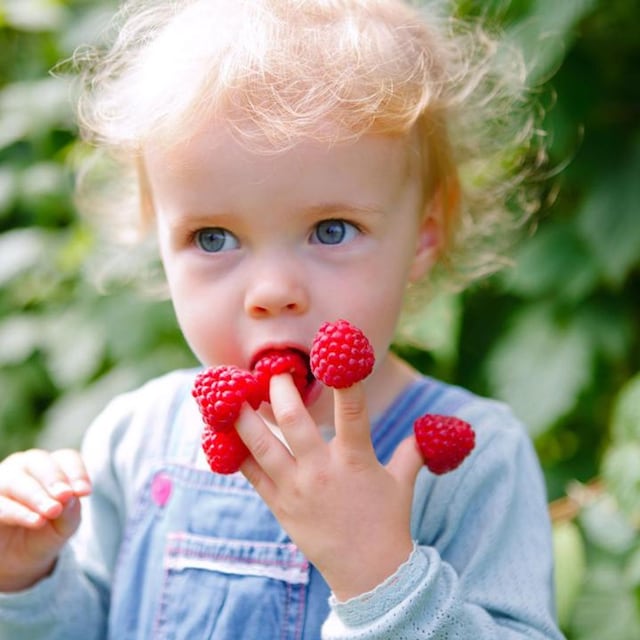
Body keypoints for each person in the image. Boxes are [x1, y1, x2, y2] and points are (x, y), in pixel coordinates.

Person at [0, 0, 565, 638]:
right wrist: (24, 582)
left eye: (331, 229)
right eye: (213, 238)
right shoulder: (134, 443)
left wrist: (380, 575)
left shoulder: (470, 463)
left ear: (424, 235)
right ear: (157, 238)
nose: (272, 292)